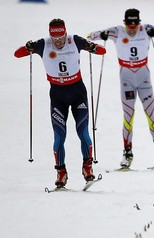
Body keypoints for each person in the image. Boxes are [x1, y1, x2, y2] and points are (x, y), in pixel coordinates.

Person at [14, 19, 106, 188]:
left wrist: (92, 47)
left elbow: (102, 51)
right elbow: (17, 54)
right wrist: (28, 47)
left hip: (78, 94)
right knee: (59, 136)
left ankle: (88, 167)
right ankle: (61, 172)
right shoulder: (43, 44)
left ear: (65, 33)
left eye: (60, 37)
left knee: (83, 132)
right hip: (57, 97)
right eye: (54, 38)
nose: (57, 42)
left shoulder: (75, 41)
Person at [87, 8, 154, 169]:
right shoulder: (117, 31)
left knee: (151, 113)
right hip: (126, 79)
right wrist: (102, 35)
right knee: (128, 116)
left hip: (144, 78)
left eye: (134, 24)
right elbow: (90, 36)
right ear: (124, 23)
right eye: (128, 24)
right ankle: (127, 154)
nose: (132, 28)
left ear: (138, 22)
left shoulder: (146, 29)